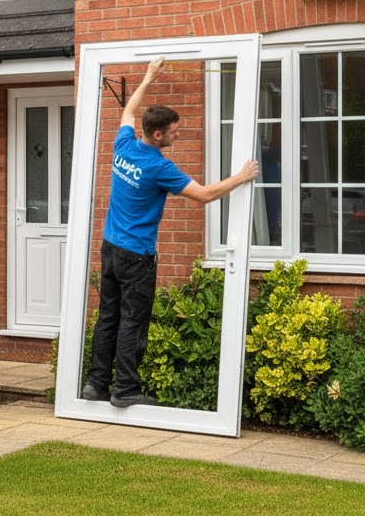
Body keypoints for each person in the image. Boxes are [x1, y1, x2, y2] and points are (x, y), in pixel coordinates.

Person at [82, 58, 260, 407]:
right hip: (136, 256)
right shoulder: (159, 167)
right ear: (158, 134)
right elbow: (205, 196)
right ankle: (126, 390)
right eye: (175, 132)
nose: (179, 136)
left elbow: (129, 110)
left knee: (108, 317)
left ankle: (95, 385)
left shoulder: (124, 145)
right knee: (132, 321)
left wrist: (148, 77)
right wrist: (241, 176)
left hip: (110, 247)